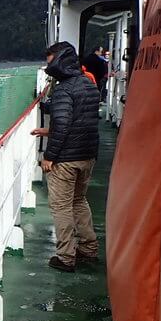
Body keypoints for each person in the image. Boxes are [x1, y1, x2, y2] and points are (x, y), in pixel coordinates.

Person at [31, 41, 101, 272]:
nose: (48, 65)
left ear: (59, 61)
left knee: (60, 207)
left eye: (50, 60)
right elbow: (79, 121)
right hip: (87, 155)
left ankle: (65, 257)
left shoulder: (63, 89)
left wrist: (49, 156)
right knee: (79, 201)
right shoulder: (89, 85)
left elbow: (62, 123)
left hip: (66, 159)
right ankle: (89, 249)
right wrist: (48, 130)